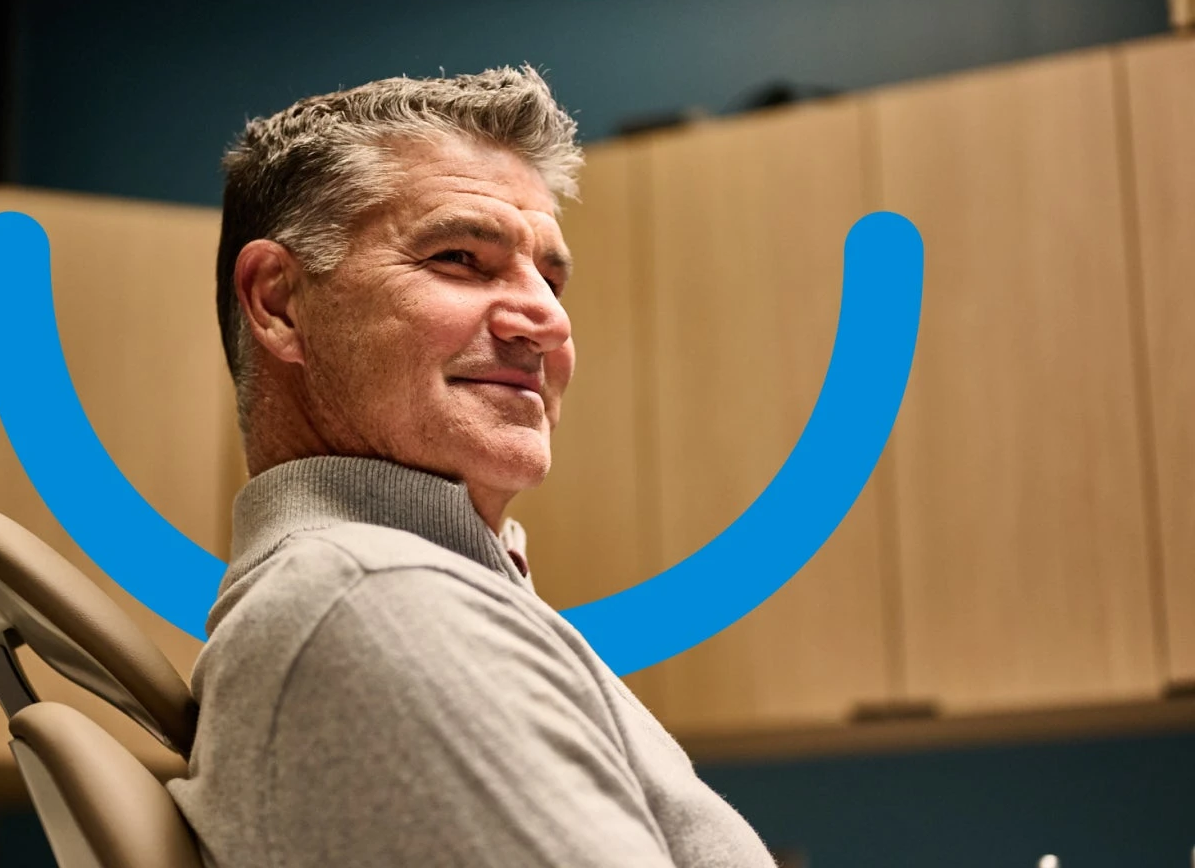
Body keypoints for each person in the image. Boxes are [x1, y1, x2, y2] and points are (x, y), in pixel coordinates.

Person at [167, 66, 776, 868]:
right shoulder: (372, 600)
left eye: (551, 279)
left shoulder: (412, 592)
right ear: (279, 302)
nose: (545, 321)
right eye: (461, 258)